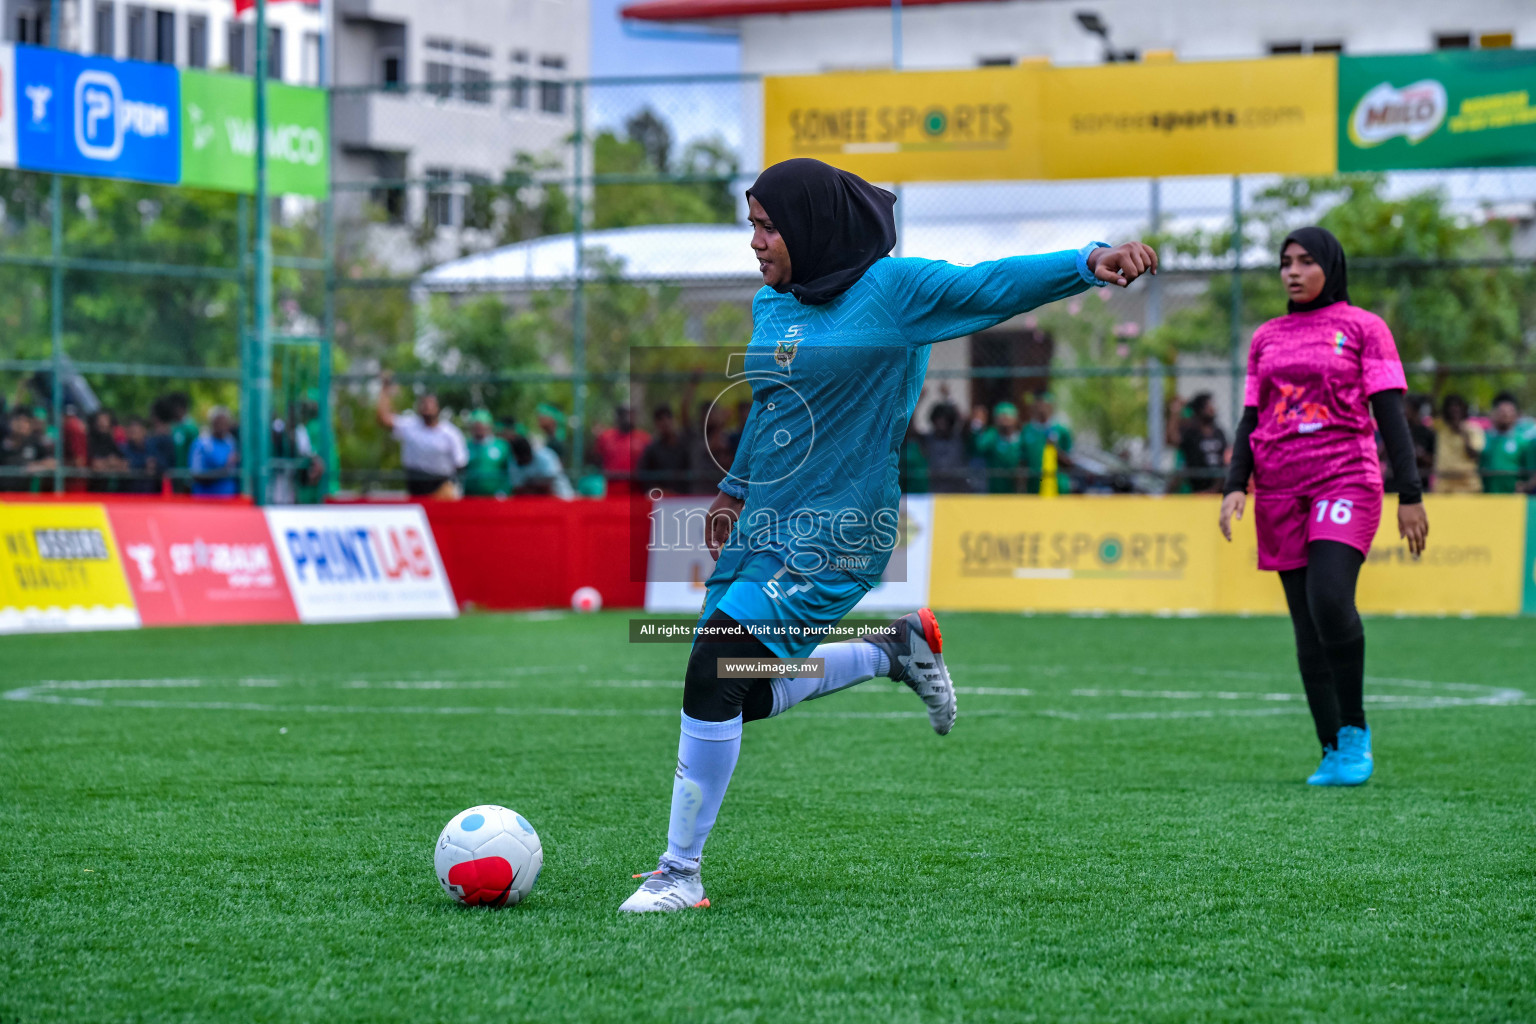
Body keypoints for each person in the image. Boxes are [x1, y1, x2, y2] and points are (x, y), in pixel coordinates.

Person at [620, 157, 1158, 913]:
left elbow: (992, 283)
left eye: (768, 226)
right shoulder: (773, 306)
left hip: (842, 527)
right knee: (732, 697)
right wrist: (734, 491)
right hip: (764, 524)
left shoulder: (894, 291)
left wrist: (1087, 263)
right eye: (752, 225)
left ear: (812, 225)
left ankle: (680, 874)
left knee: (712, 672)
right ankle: (890, 650)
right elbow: (772, 407)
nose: (756, 242)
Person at [1219, 226, 1428, 789]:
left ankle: (1355, 729)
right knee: (1306, 625)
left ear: (1330, 267)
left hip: (1345, 479)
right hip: (1279, 491)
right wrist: (1236, 484)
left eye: (1306, 261)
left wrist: (1409, 494)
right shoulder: (1267, 336)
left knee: (1330, 600)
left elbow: (1390, 416)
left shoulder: (1365, 328)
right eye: (1285, 261)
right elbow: (1250, 418)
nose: (1292, 271)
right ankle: (1332, 748)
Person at [375, 372, 467, 499]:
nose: (427, 407)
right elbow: (383, 419)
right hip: (415, 484)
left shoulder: (450, 433)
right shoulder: (409, 425)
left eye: (430, 404)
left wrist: (454, 486)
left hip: (441, 486)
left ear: (438, 408)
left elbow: (461, 464)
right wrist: (386, 390)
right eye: (424, 404)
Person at [1479, 392, 1534, 494]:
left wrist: (1525, 486)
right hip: (1484, 496)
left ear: (1516, 415)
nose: (1505, 415)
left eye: (1509, 412)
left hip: (1513, 499)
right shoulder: (1482, 438)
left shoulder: (1523, 442)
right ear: (1493, 413)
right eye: (1502, 411)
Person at [1175, 392, 1228, 494]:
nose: (1213, 409)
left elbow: (1225, 460)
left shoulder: (1219, 433)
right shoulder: (1191, 432)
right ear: (1200, 409)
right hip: (1197, 487)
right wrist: (1176, 412)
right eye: (1209, 405)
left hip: (1218, 486)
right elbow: (1173, 439)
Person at [1022, 391, 1073, 494]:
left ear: (1051, 407)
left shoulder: (1062, 430)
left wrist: (1054, 449)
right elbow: (1021, 461)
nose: (1041, 409)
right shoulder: (1026, 430)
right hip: (1034, 488)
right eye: (1038, 405)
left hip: (1058, 487)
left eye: (1045, 405)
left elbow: (1070, 462)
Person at [1432, 394, 1483, 493]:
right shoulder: (1441, 427)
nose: (1454, 411)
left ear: (1463, 410)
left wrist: (1464, 435)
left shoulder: (1473, 429)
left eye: (1457, 408)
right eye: (1450, 408)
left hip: (1467, 485)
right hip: (1443, 485)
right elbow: (1431, 408)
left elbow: (1475, 455)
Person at [637, 404, 691, 497]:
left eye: (668, 418)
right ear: (656, 424)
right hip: (660, 499)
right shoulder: (651, 449)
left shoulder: (685, 446)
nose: (665, 422)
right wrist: (659, 490)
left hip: (684, 498)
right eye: (660, 419)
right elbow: (643, 475)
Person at [593, 406, 651, 492]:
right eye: (625, 414)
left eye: (631, 414)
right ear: (618, 417)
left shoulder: (644, 438)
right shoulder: (606, 437)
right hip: (613, 489)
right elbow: (596, 458)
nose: (629, 418)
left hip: (636, 490)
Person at [972, 401, 1026, 493]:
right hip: (994, 490)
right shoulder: (991, 435)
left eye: (1008, 416)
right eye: (1001, 416)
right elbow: (977, 448)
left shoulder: (1023, 437)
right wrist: (977, 426)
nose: (1004, 419)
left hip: (1017, 491)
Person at [189, 406, 240, 497]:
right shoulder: (201, 443)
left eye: (225, 423)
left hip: (229, 500)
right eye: (219, 423)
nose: (222, 427)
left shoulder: (231, 442)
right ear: (212, 423)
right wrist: (223, 471)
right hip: (206, 500)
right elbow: (196, 474)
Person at [0, 409, 56, 492]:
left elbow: (52, 463)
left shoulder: (34, 444)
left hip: (24, 497)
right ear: (11, 422)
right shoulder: (2, 442)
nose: (21, 425)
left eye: (25, 422)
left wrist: (36, 465)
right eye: (18, 420)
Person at [922, 400, 970, 493]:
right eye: (938, 419)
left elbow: (966, 422)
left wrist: (949, 398)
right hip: (935, 487)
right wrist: (917, 401)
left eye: (945, 420)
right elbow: (910, 428)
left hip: (958, 488)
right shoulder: (926, 439)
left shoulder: (959, 438)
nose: (941, 423)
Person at [462, 411, 512, 498]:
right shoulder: (466, 446)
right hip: (470, 496)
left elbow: (510, 470)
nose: (479, 429)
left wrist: (504, 491)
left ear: (489, 426)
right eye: (476, 426)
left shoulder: (502, 446)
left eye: (482, 425)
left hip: (495, 497)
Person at [86, 409, 126, 493]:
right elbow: (95, 464)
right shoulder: (89, 440)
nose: (103, 424)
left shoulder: (110, 441)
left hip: (109, 489)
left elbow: (123, 463)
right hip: (92, 488)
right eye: (101, 421)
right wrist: (109, 463)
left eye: (105, 421)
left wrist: (112, 463)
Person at [120, 417, 160, 494]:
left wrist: (155, 465)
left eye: (135, 432)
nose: (133, 435)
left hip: (150, 494)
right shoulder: (123, 449)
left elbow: (162, 463)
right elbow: (124, 464)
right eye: (131, 432)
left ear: (144, 431)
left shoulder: (152, 447)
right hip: (129, 493)